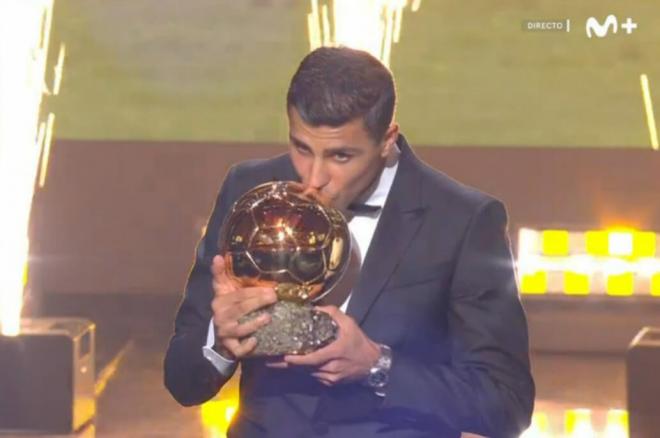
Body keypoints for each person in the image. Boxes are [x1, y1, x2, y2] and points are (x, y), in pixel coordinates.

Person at [164, 46, 534, 438]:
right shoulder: (249, 192)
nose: (314, 178)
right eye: (302, 148)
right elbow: (182, 381)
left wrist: (378, 366)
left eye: (341, 156)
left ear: (387, 139)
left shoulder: (463, 220)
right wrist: (219, 342)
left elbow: (506, 404)